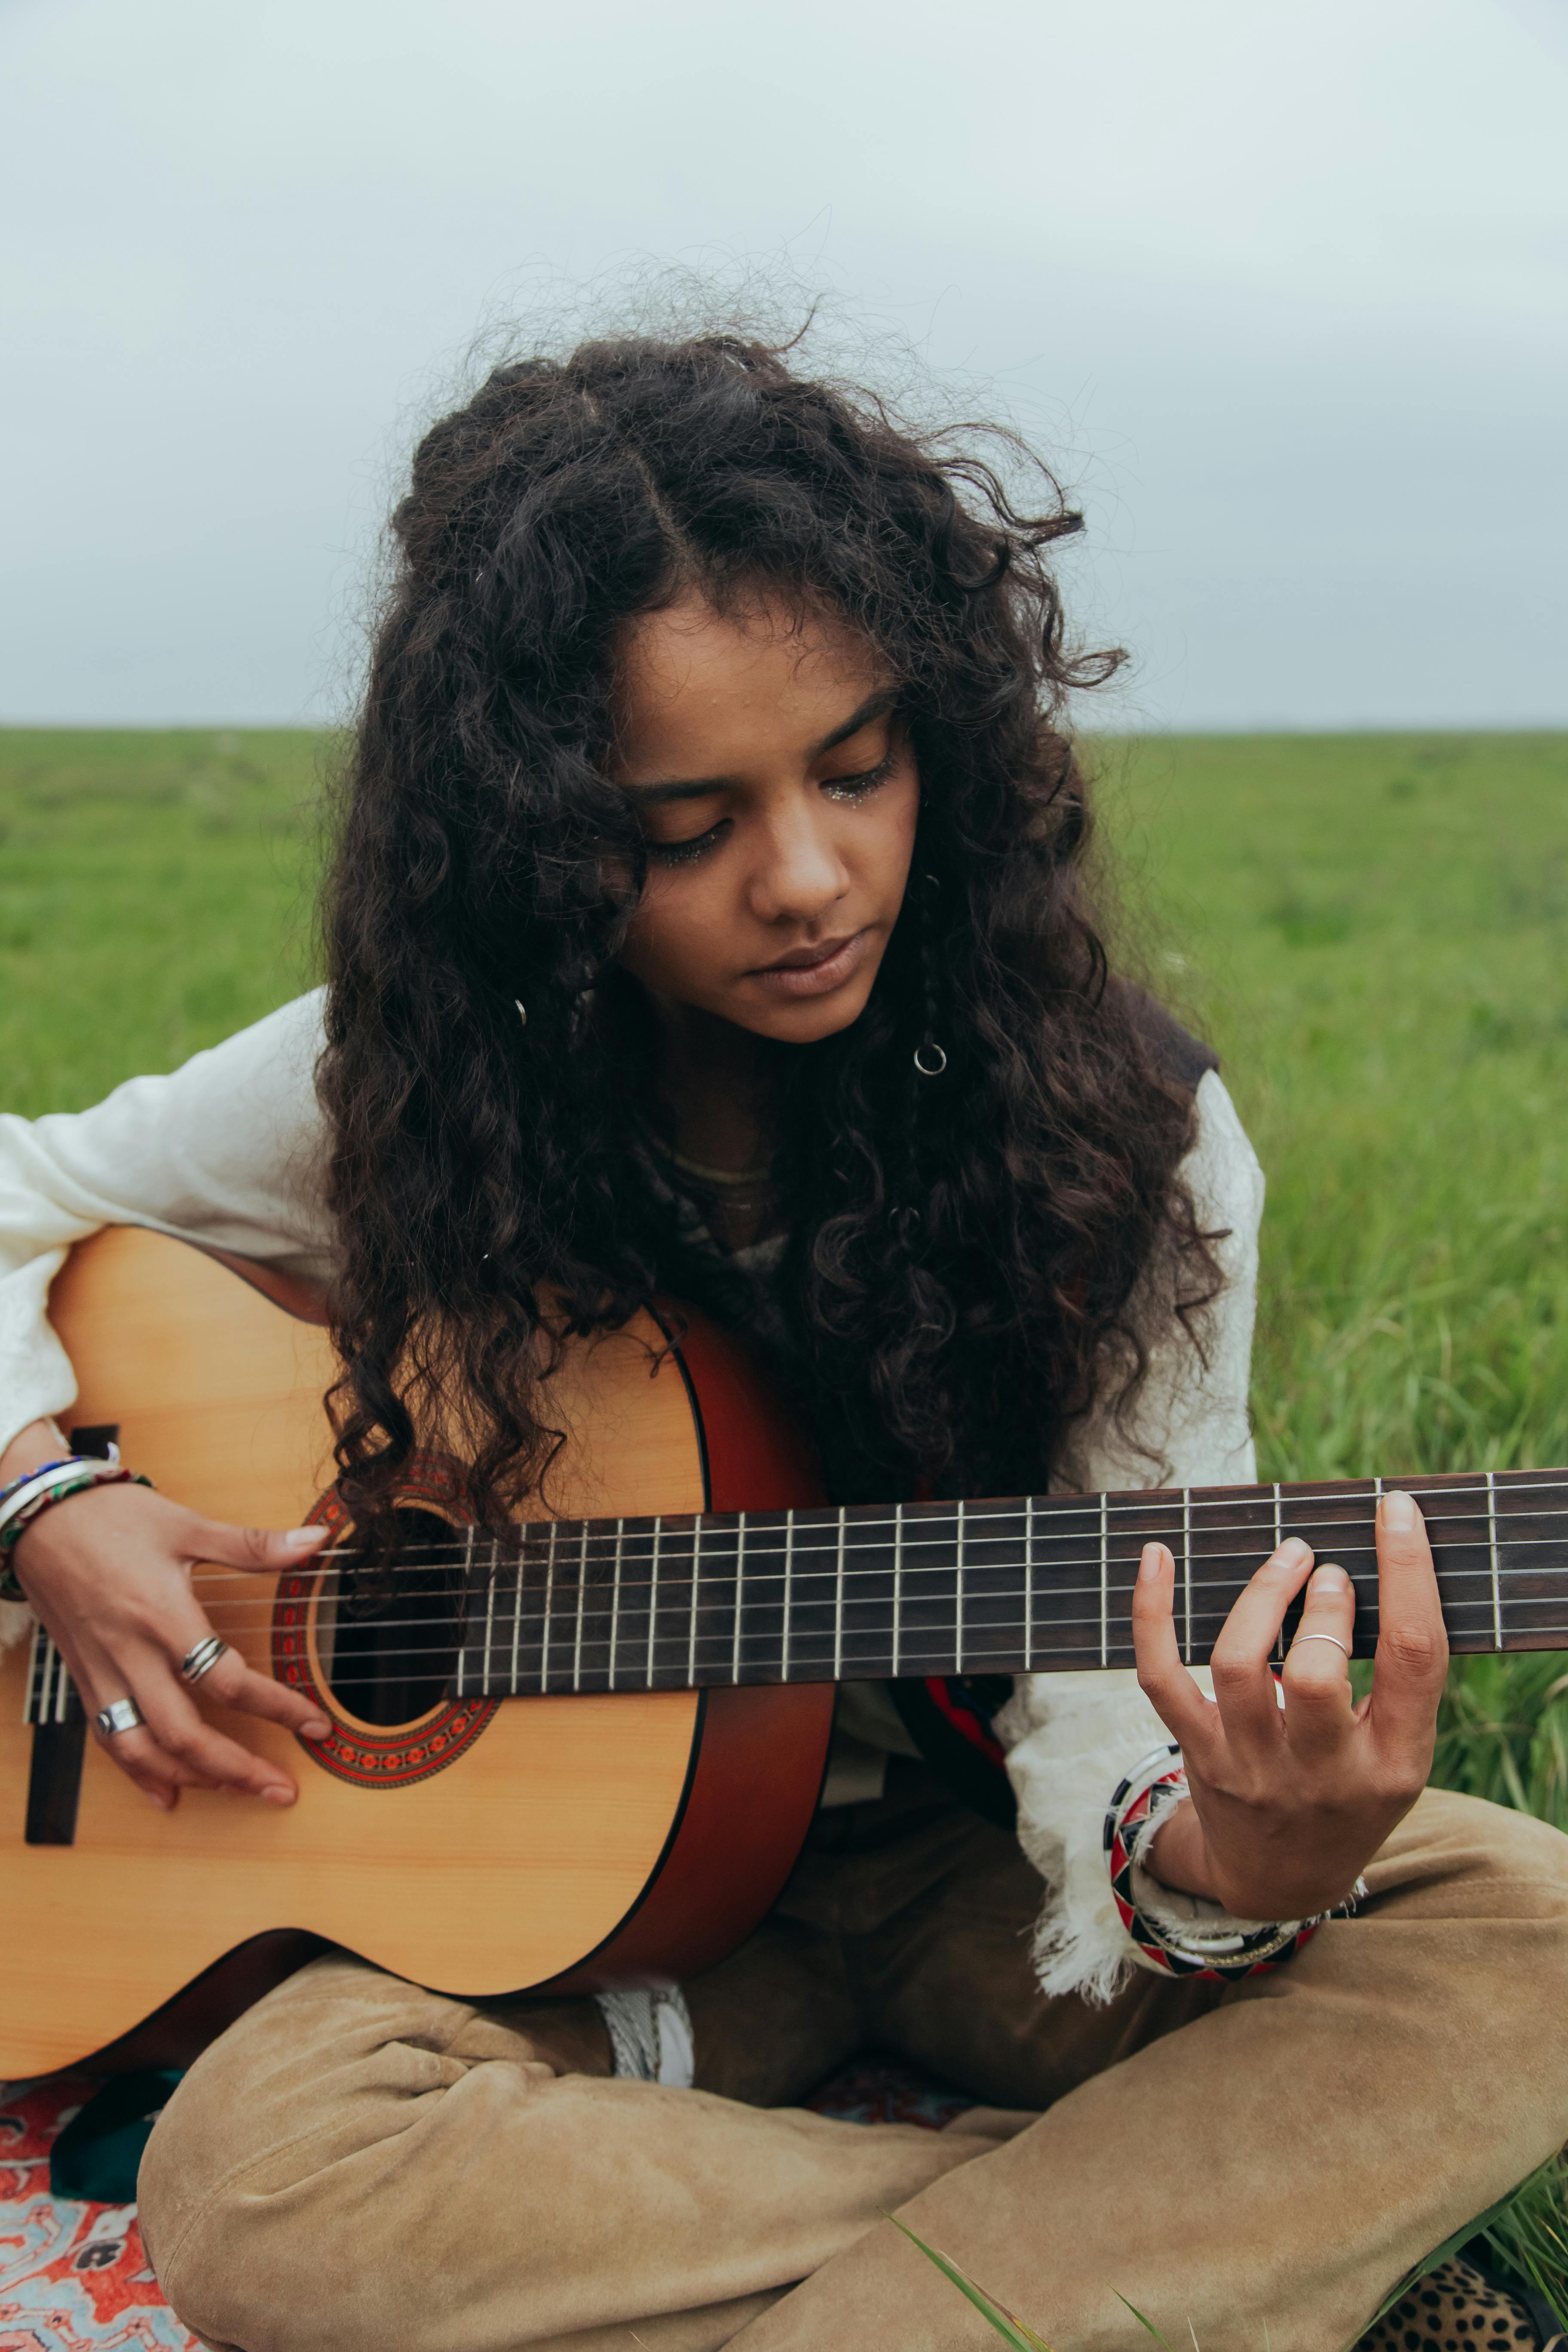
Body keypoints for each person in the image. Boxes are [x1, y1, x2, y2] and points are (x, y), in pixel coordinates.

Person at [2, 331, 1566, 2352]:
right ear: (539, 843)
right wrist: (55, 1496)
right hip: (599, 1941)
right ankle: (1179, 2257)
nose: (810, 879)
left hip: (978, 1890)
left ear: (949, 736)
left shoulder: (1129, 1146)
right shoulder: (407, 1088)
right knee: (261, 2174)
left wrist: (1231, 1855)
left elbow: (1112, 1713)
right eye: (683, 824)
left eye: (856, 766)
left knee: (1519, 1930)